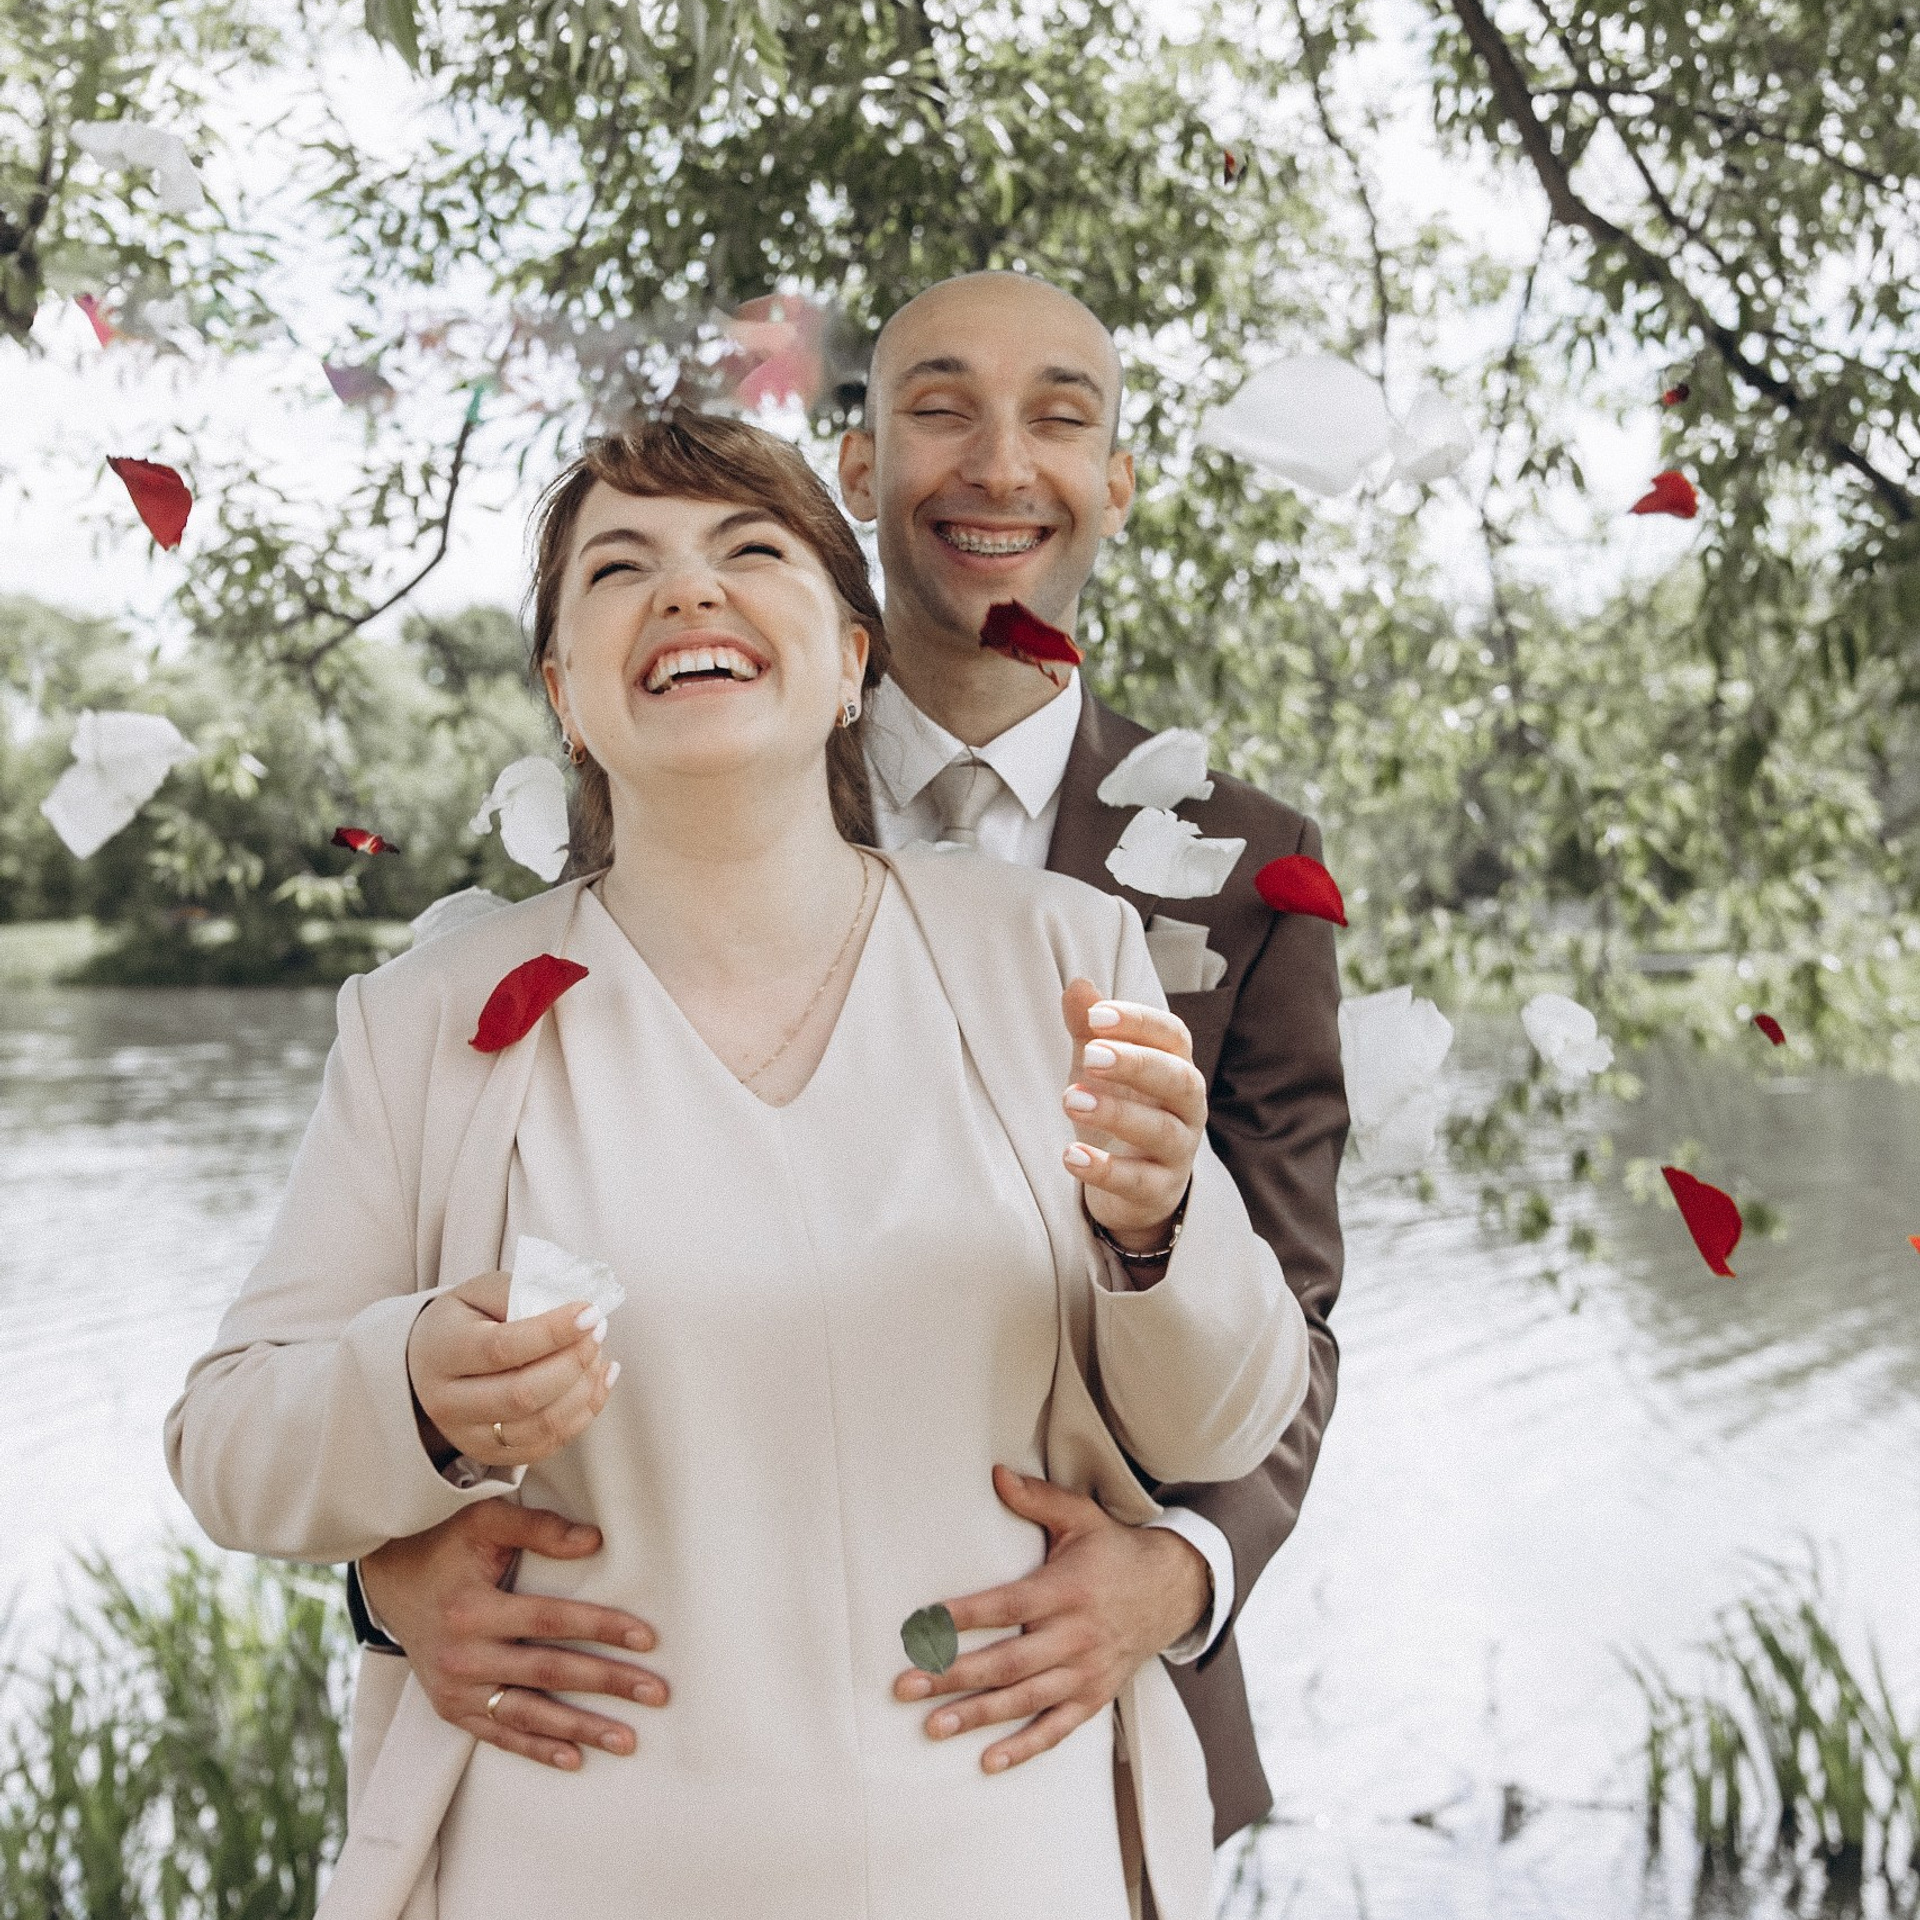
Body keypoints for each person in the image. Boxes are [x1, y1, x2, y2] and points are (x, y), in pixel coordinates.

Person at [165, 409, 1312, 1920]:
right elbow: (230, 1447)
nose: (690, 593)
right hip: (564, 1872)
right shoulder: (426, 1024)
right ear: (568, 694)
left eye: (750, 552)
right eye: (621, 567)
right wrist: (413, 1395)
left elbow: (1224, 1417)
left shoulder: (1061, 955)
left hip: (1006, 1864)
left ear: (852, 662)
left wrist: (1162, 1227)